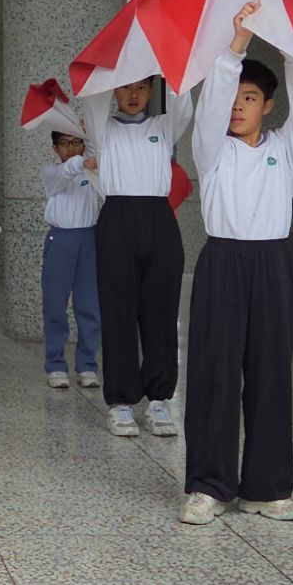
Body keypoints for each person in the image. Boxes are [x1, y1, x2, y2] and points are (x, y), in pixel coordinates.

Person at [182, 1, 293, 525]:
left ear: (268, 106)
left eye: (249, 99)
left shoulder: (288, 147)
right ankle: (208, 484)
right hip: (224, 263)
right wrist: (236, 45)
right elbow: (212, 104)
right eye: (233, 98)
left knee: (271, 373)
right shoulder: (211, 150)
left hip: (274, 264)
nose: (237, 107)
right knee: (214, 372)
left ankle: (266, 487)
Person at [87, 75, 191, 435]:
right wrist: (110, 69)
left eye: (142, 87)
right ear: (114, 89)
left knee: (161, 311)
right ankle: (120, 402)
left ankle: (159, 400)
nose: (133, 95)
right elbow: (93, 97)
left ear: (151, 90)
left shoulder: (163, 126)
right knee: (118, 312)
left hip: (159, 218)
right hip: (117, 219)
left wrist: (171, 64)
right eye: (125, 87)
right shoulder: (101, 130)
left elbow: (182, 102)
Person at [39, 128, 103, 390]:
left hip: (89, 239)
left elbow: (99, 156)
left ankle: (87, 365)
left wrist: (91, 132)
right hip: (61, 239)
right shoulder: (51, 172)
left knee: (89, 305)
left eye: (77, 142)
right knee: (55, 303)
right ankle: (55, 365)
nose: (71, 148)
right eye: (64, 143)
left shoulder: (92, 171)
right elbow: (68, 171)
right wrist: (81, 161)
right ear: (55, 148)